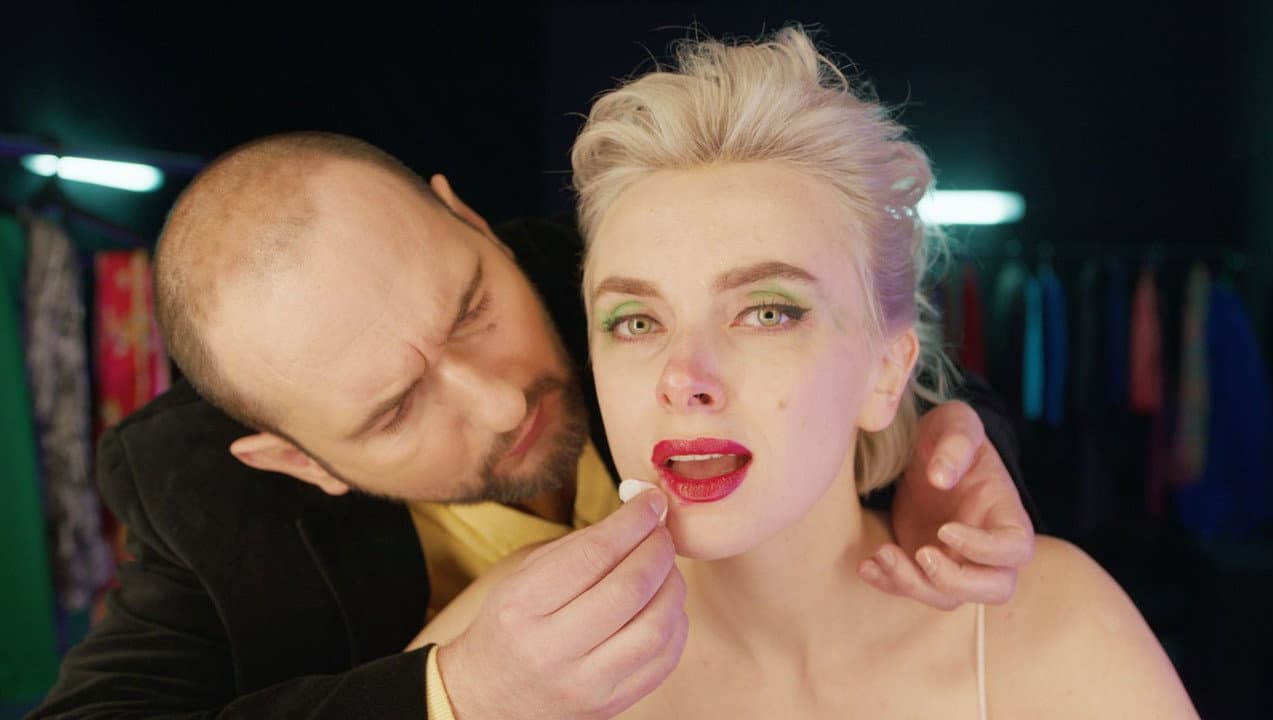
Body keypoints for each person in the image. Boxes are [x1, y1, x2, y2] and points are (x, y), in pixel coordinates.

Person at [31, 127, 1036, 719]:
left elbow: (846, 330)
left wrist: (943, 439)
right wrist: (461, 697)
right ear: (298, 460)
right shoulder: (208, 503)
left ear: (473, 223)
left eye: (472, 308)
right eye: (397, 409)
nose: (502, 399)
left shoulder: (609, 266)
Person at [416, 28, 1198, 718]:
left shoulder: (1054, 625)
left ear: (886, 373)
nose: (684, 377)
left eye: (768, 312)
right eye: (637, 322)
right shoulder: (495, 664)